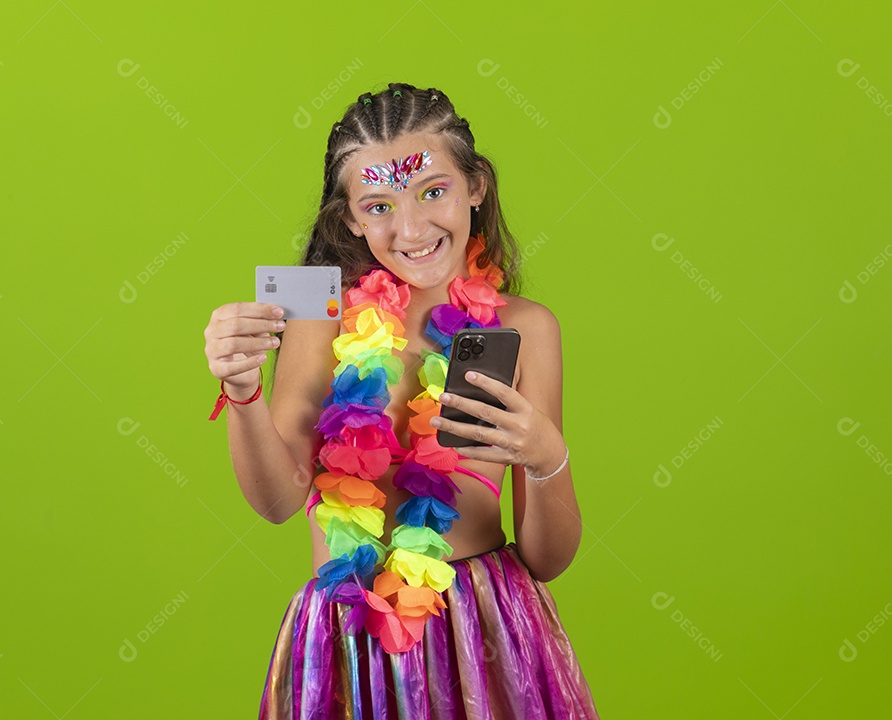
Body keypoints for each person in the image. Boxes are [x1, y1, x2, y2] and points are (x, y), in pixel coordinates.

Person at [203, 82, 600, 719]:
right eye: (379, 205)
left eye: (434, 192)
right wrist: (242, 391)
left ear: (477, 187)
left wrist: (547, 455)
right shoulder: (316, 310)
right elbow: (278, 502)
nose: (411, 228)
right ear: (352, 219)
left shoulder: (527, 327)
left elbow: (548, 560)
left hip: (485, 635)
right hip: (346, 639)